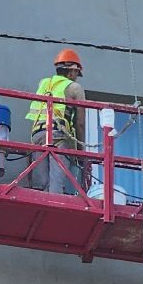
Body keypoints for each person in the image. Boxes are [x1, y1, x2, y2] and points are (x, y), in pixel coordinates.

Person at [25, 47, 86, 194]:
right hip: (58, 136)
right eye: (77, 73)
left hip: (37, 136)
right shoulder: (75, 88)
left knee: (40, 187)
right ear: (72, 71)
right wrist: (81, 150)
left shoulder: (44, 83)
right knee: (56, 187)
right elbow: (80, 122)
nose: (76, 76)